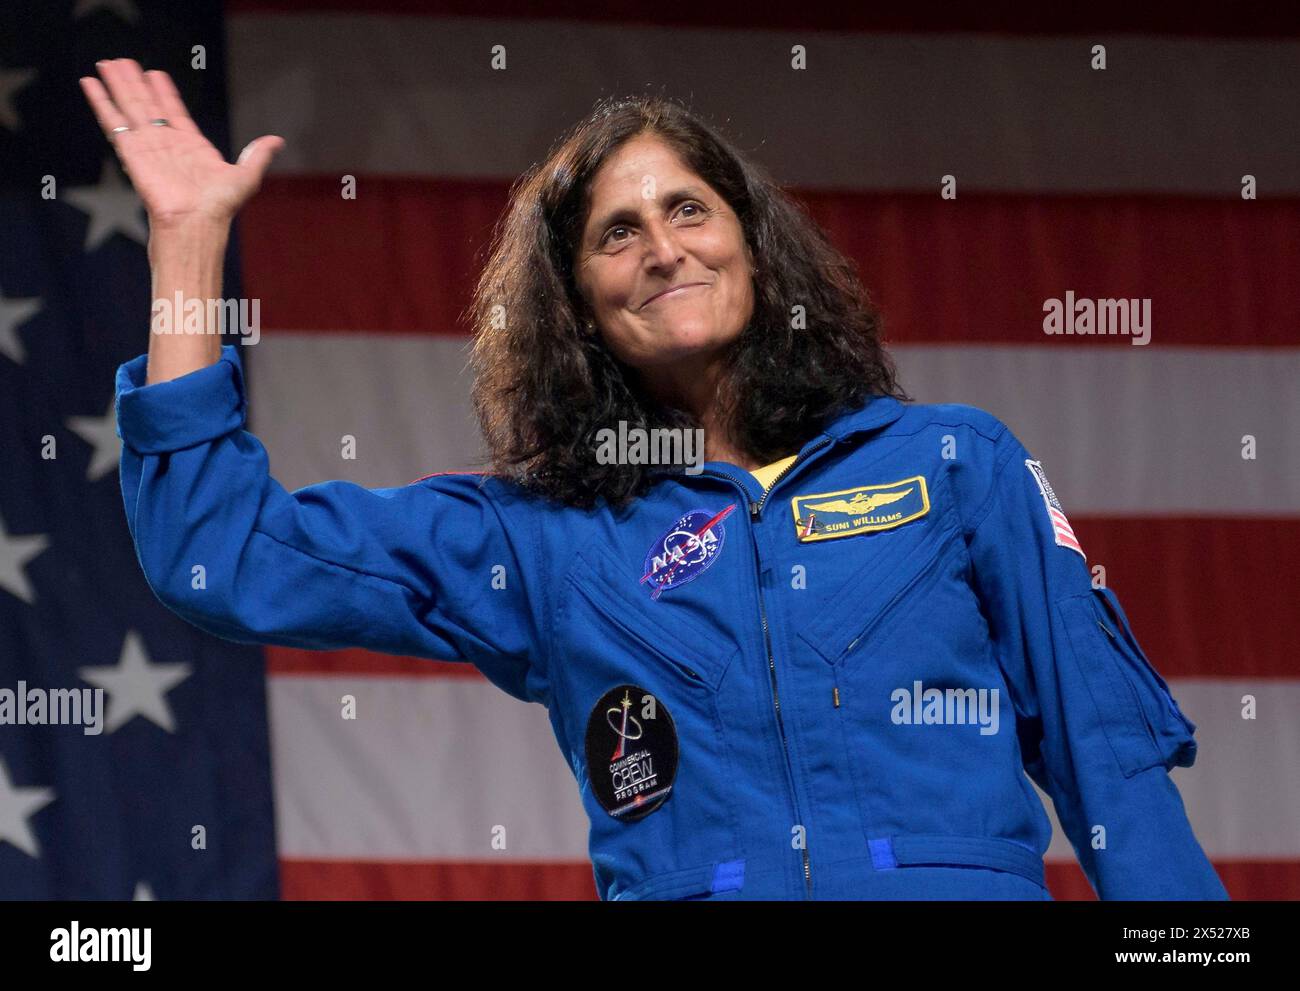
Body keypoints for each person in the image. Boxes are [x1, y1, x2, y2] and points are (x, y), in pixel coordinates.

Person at [84, 59, 1227, 901]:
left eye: (688, 209)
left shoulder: (953, 462)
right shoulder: (543, 536)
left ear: (752, 244)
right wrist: (188, 246)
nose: (663, 248)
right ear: (577, 304)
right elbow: (220, 557)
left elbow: (1107, 764)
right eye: (617, 234)